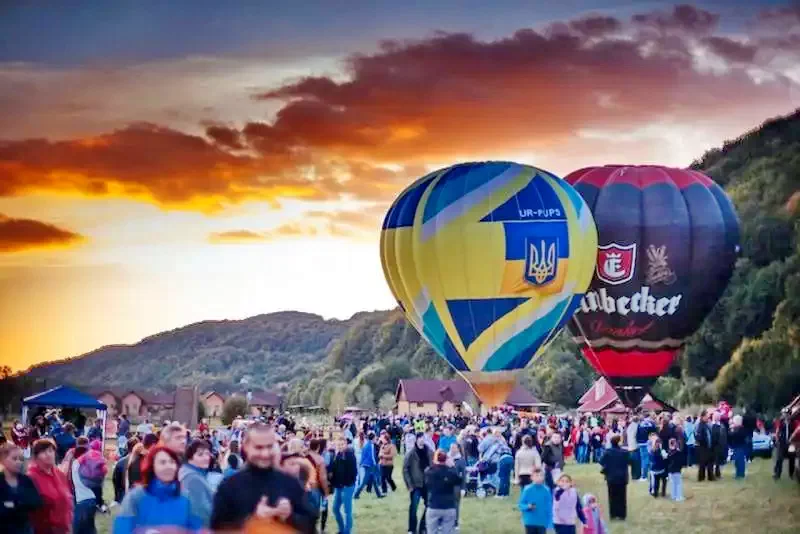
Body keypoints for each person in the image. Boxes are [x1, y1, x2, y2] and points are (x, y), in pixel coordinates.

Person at [210, 424, 317, 533]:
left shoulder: (290, 483)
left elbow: (310, 525)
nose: (265, 454)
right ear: (246, 446)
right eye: (259, 447)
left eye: (269, 446)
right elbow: (217, 528)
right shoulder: (229, 487)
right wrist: (253, 520)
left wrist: (289, 516)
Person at [113, 445, 202, 533]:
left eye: (172, 462)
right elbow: (122, 529)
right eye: (162, 462)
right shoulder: (135, 497)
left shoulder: (186, 497)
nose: (169, 466)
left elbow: (196, 528)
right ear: (152, 466)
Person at [27, 439, 74, 534]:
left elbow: (67, 500)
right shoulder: (30, 478)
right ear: (36, 457)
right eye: (43, 452)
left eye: (51, 451)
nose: (49, 454)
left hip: (63, 528)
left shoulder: (60, 474)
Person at [0, 443, 42, 534]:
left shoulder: (26, 480)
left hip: (25, 529)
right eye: (14, 459)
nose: (19, 462)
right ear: (2, 460)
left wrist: (13, 504)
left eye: (21, 459)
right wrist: (22, 503)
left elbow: (37, 502)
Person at [179, 439, 214, 527]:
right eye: (200, 454)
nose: (206, 457)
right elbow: (201, 511)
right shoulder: (192, 478)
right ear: (190, 457)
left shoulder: (188, 472)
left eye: (207, 454)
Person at [424, 449, 461, 534]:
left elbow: (426, 483)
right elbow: (458, 480)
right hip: (449, 506)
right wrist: (452, 466)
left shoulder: (430, 472)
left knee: (431, 531)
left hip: (434, 506)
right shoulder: (450, 473)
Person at [404, 432, 433, 534]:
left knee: (429, 506)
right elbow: (406, 469)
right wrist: (409, 485)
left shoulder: (429, 451)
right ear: (416, 439)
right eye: (420, 438)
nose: (422, 440)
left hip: (427, 484)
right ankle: (412, 529)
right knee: (413, 508)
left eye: (423, 438)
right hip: (416, 485)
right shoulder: (411, 453)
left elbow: (433, 465)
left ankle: (423, 527)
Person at [330, 436, 358, 534]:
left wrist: (348, 483)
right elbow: (335, 470)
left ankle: (347, 531)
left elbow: (353, 472)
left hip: (347, 486)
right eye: (338, 445)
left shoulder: (350, 455)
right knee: (335, 508)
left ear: (346, 444)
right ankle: (341, 529)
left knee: (347, 510)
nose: (340, 446)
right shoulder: (337, 455)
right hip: (339, 486)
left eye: (342, 444)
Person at [599, 434, 629, 520]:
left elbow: (601, 461)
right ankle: (622, 514)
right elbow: (630, 461)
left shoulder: (608, 452)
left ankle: (613, 514)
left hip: (611, 477)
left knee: (612, 497)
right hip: (622, 477)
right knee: (622, 497)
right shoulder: (624, 452)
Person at [518, 467, 552, 534]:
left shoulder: (546, 490)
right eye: (536, 476)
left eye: (541, 475)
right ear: (532, 477)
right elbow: (521, 504)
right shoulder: (527, 489)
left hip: (542, 522)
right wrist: (528, 506)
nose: (539, 478)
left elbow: (549, 506)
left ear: (543, 477)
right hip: (530, 521)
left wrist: (550, 522)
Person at [354, 432, 384, 499]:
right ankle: (356, 494)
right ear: (373, 438)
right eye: (375, 438)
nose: (376, 439)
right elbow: (372, 456)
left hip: (366, 464)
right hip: (369, 465)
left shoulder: (367, 444)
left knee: (374, 480)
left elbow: (364, 455)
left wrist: (362, 463)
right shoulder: (371, 445)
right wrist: (375, 464)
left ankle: (379, 494)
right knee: (364, 482)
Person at [774, 409, 795, 480]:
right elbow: (777, 431)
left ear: (790, 415)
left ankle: (791, 474)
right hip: (782, 443)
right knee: (779, 458)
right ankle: (777, 474)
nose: (786, 415)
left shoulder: (793, 423)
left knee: (792, 459)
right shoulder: (780, 422)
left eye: (787, 414)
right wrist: (777, 440)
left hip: (791, 443)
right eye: (784, 414)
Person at [695, 411, 715, 482]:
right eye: (707, 416)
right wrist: (703, 442)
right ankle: (701, 477)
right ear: (703, 417)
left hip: (708, 447)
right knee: (702, 463)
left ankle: (711, 477)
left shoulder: (706, 425)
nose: (708, 417)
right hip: (703, 447)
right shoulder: (700, 425)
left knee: (710, 462)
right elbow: (698, 436)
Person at [728, 415, 748, 479]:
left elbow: (733, 435)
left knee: (739, 462)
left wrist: (731, 430)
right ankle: (739, 474)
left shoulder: (740, 429)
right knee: (737, 462)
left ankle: (740, 474)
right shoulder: (741, 429)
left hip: (739, 447)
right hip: (738, 446)